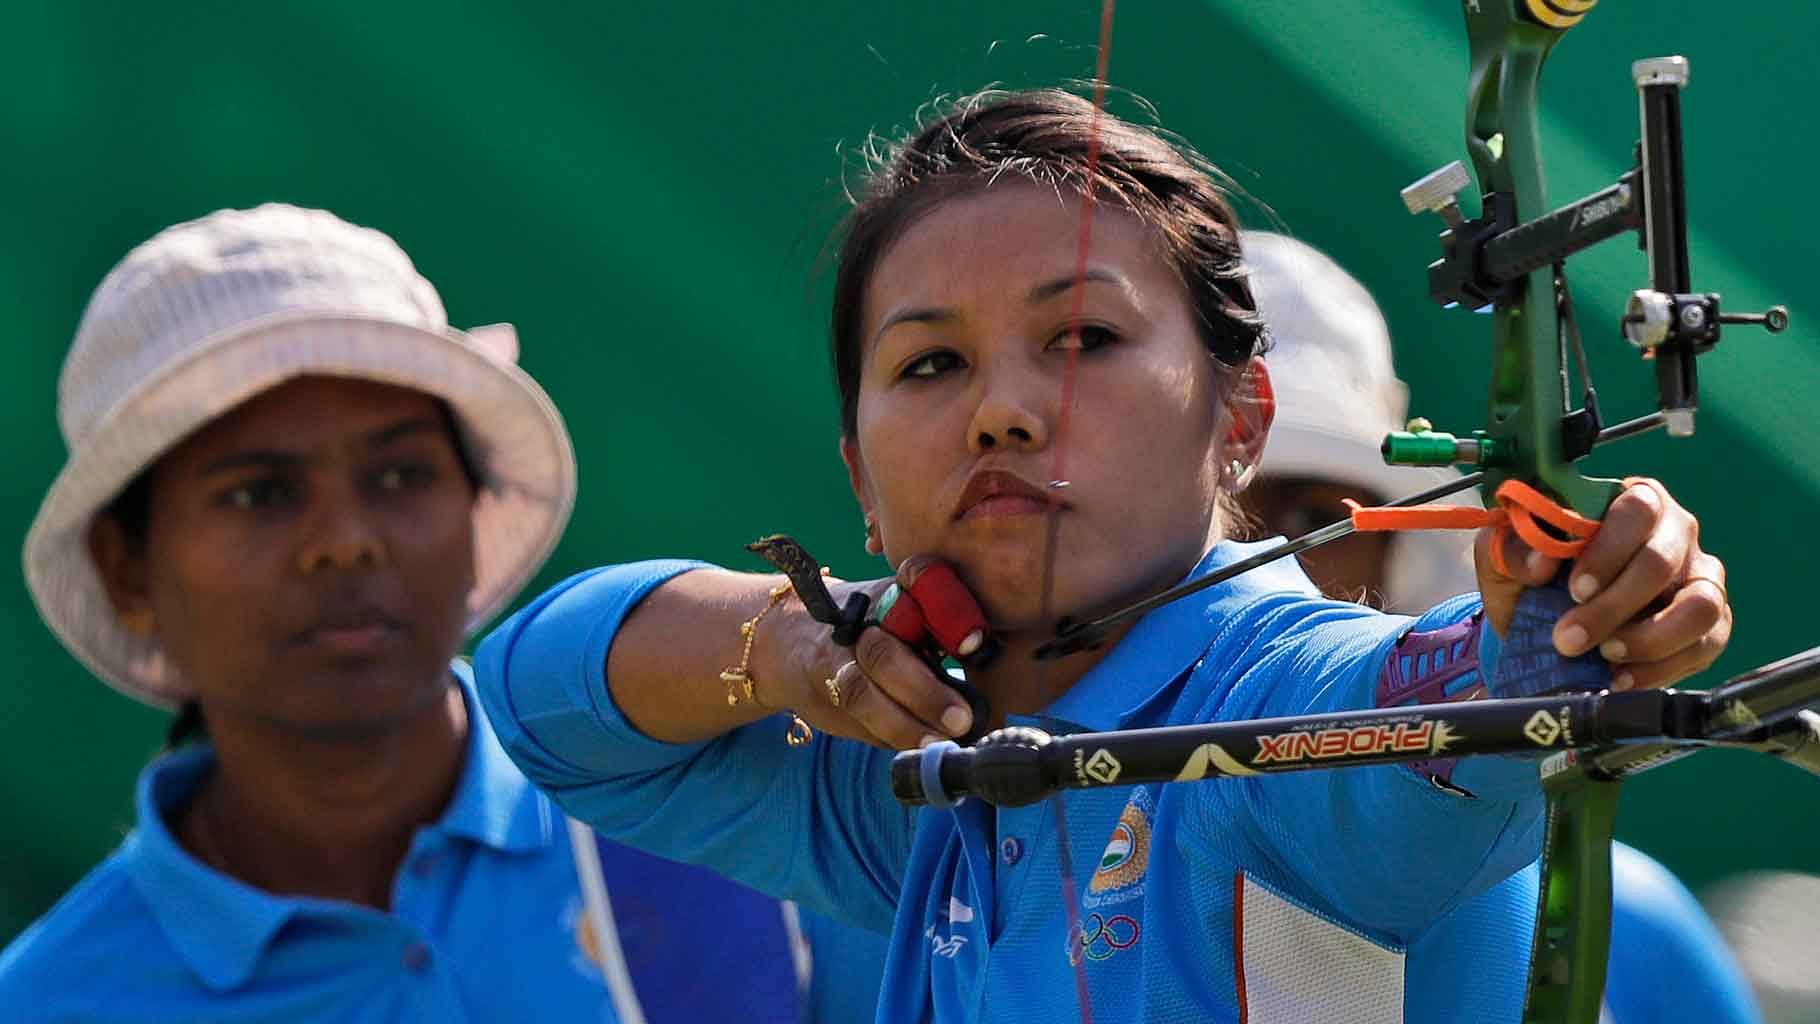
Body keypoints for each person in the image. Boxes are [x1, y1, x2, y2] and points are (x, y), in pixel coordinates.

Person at [474, 90, 1735, 1022]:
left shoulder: (1273, 708)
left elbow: (1429, 710)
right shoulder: (903, 772)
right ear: (860, 477)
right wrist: (801, 645)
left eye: (1079, 337)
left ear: (1238, 420)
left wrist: (1549, 625)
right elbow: (540, 697)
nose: (1000, 411)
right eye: (928, 363)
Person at [0, 204, 829, 1022]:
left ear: (473, 506)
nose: (346, 541)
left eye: (400, 475)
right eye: (260, 492)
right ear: (126, 569)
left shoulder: (715, 807)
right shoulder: (54, 1002)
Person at [1243, 230, 1762, 1024]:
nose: (1265, 563)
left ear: (1392, 549)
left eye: (1313, 519)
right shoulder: (998, 843)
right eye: (1214, 529)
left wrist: (1581, 603)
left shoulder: (1638, 923)